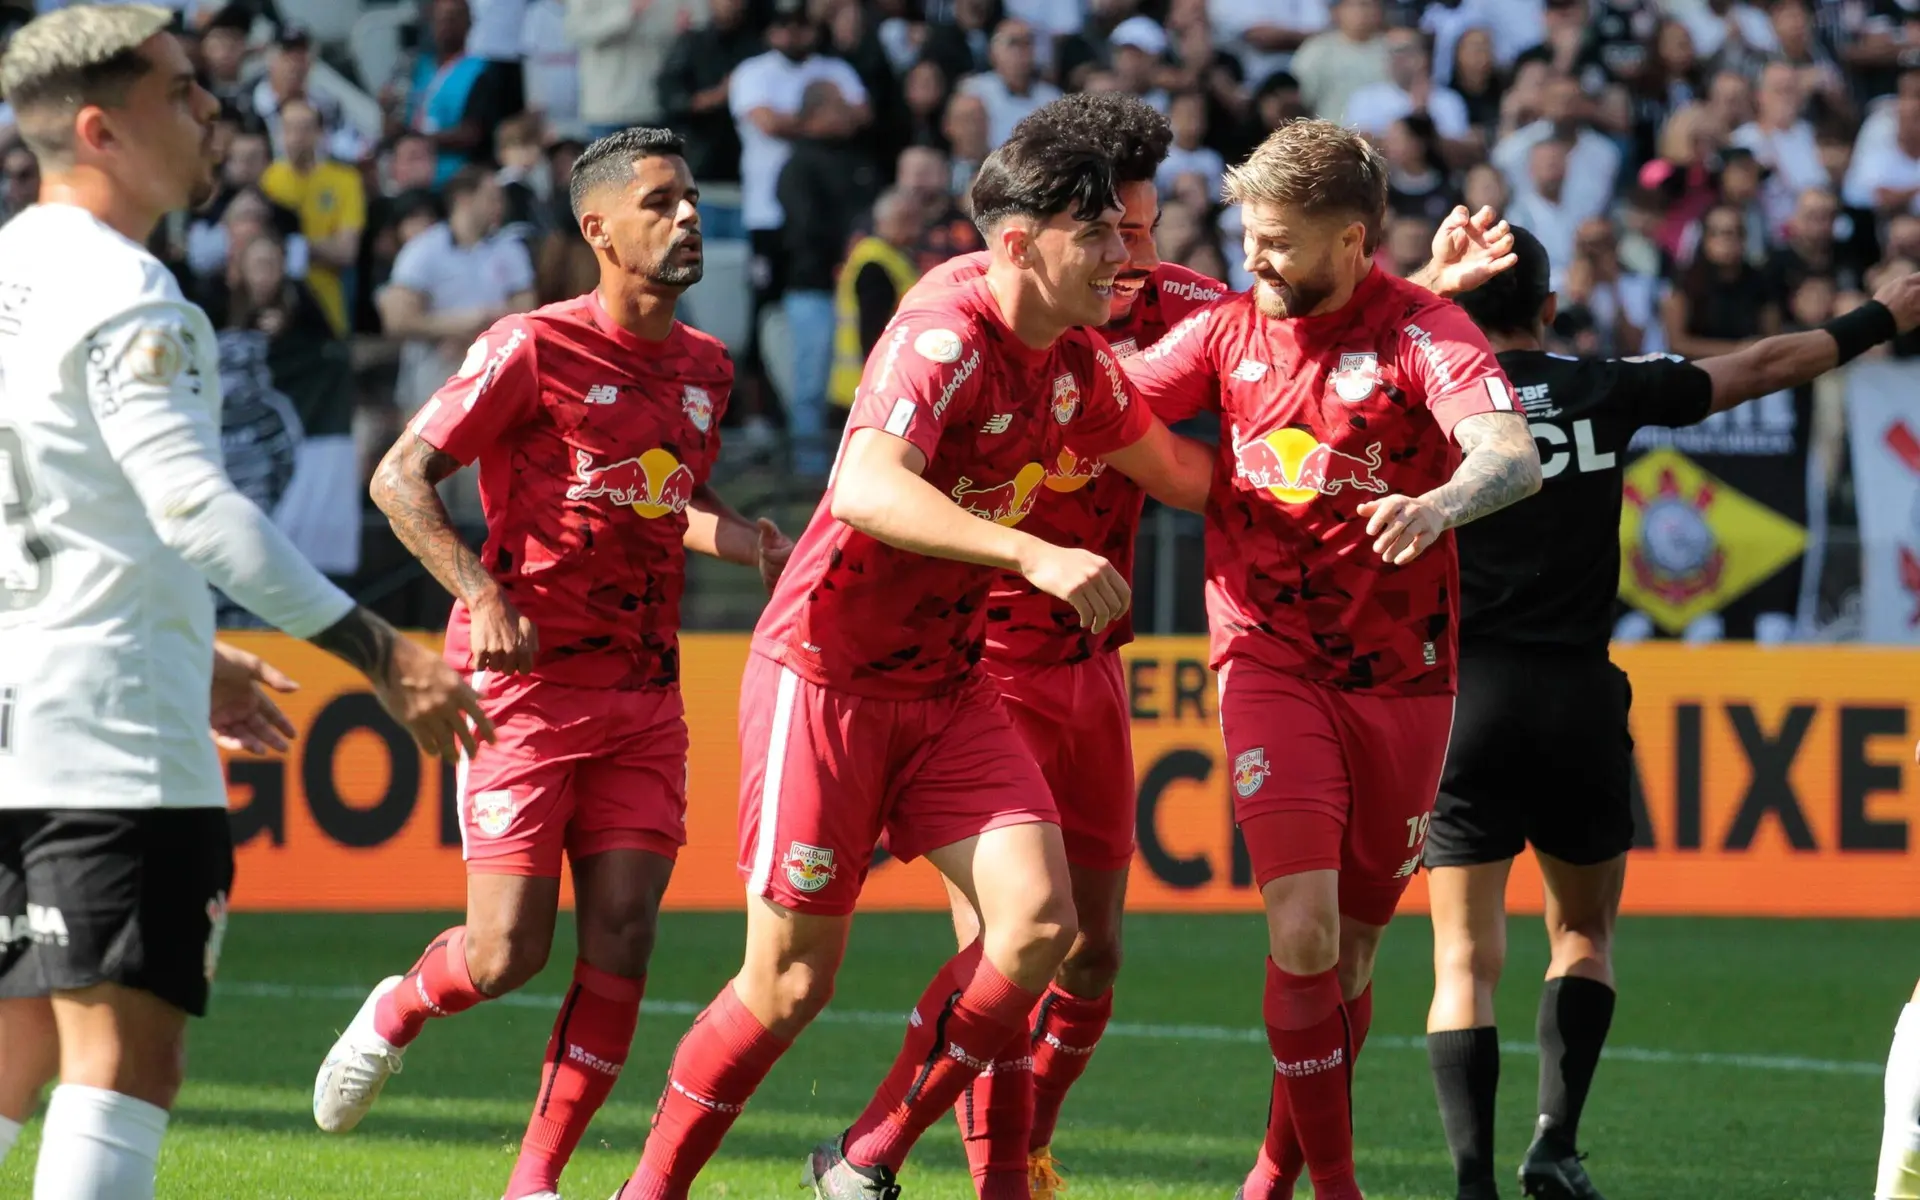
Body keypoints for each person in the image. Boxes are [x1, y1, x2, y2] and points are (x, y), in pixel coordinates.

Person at [907, 91, 1516, 1200]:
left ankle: (1250, 1172)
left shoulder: (1273, 313)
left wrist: (1439, 462)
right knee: (1087, 932)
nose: (1129, 256)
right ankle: (975, 1171)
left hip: (1309, 664)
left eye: (1141, 229)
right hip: (1059, 656)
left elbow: (1431, 405)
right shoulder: (1012, 315)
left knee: (1230, 954)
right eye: (1106, 232)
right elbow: (1067, 404)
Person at [618, 120, 1219, 1200]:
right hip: (828, 676)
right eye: (1099, 237)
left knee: (1043, 924)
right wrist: (1032, 551)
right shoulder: (943, 333)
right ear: (1024, 244)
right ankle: (647, 1190)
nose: (1127, 261)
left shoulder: (1077, 361)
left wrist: (1348, 491)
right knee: (789, 983)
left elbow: (1182, 474)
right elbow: (864, 489)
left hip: (947, 688)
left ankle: (862, 1160)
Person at [0, 8, 490, 1199]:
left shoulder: (11, 271)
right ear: (103, 130)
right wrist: (381, 649)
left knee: (11, 1057)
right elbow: (194, 510)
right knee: (124, 1060)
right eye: (184, 92)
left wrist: (190, 644)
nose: (217, 109)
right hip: (108, 749)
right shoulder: (133, 293)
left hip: (21, 718)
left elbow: (69, 508)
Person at [310, 127, 792, 1200]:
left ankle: (535, 1182)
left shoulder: (709, 370)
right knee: (505, 955)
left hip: (642, 693)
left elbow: (676, 501)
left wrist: (745, 538)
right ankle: (398, 1009)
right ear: (598, 229)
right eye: (661, 203)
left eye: (693, 200)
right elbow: (399, 479)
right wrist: (479, 593)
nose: (688, 219)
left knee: (624, 935)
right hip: (522, 691)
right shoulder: (530, 347)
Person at [1438, 226, 1920, 1200]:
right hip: (1576, 692)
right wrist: (1881, 317)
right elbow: (1765, 362)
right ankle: (1555, 1144)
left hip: (1464, 699)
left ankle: (1472, 1183)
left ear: (1455, 314)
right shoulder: (1598, 384)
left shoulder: (1429, 402)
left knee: (1462, 957)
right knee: (1582, 934)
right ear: (1548, 309)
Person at [1120, 119, 1542, 1200]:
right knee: (1301, 932)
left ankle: (1273, 1173)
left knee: (1352, 958)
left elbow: (1509, 453)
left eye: (1276, 242)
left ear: (1352, 240)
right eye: (1246, 236)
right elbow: (1112, 402)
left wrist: (1444, 501)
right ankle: (1339, 1189)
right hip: (1267, 655)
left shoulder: (1426, 329)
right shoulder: (1225, 332)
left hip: (1405, 676)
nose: (1251, 260)